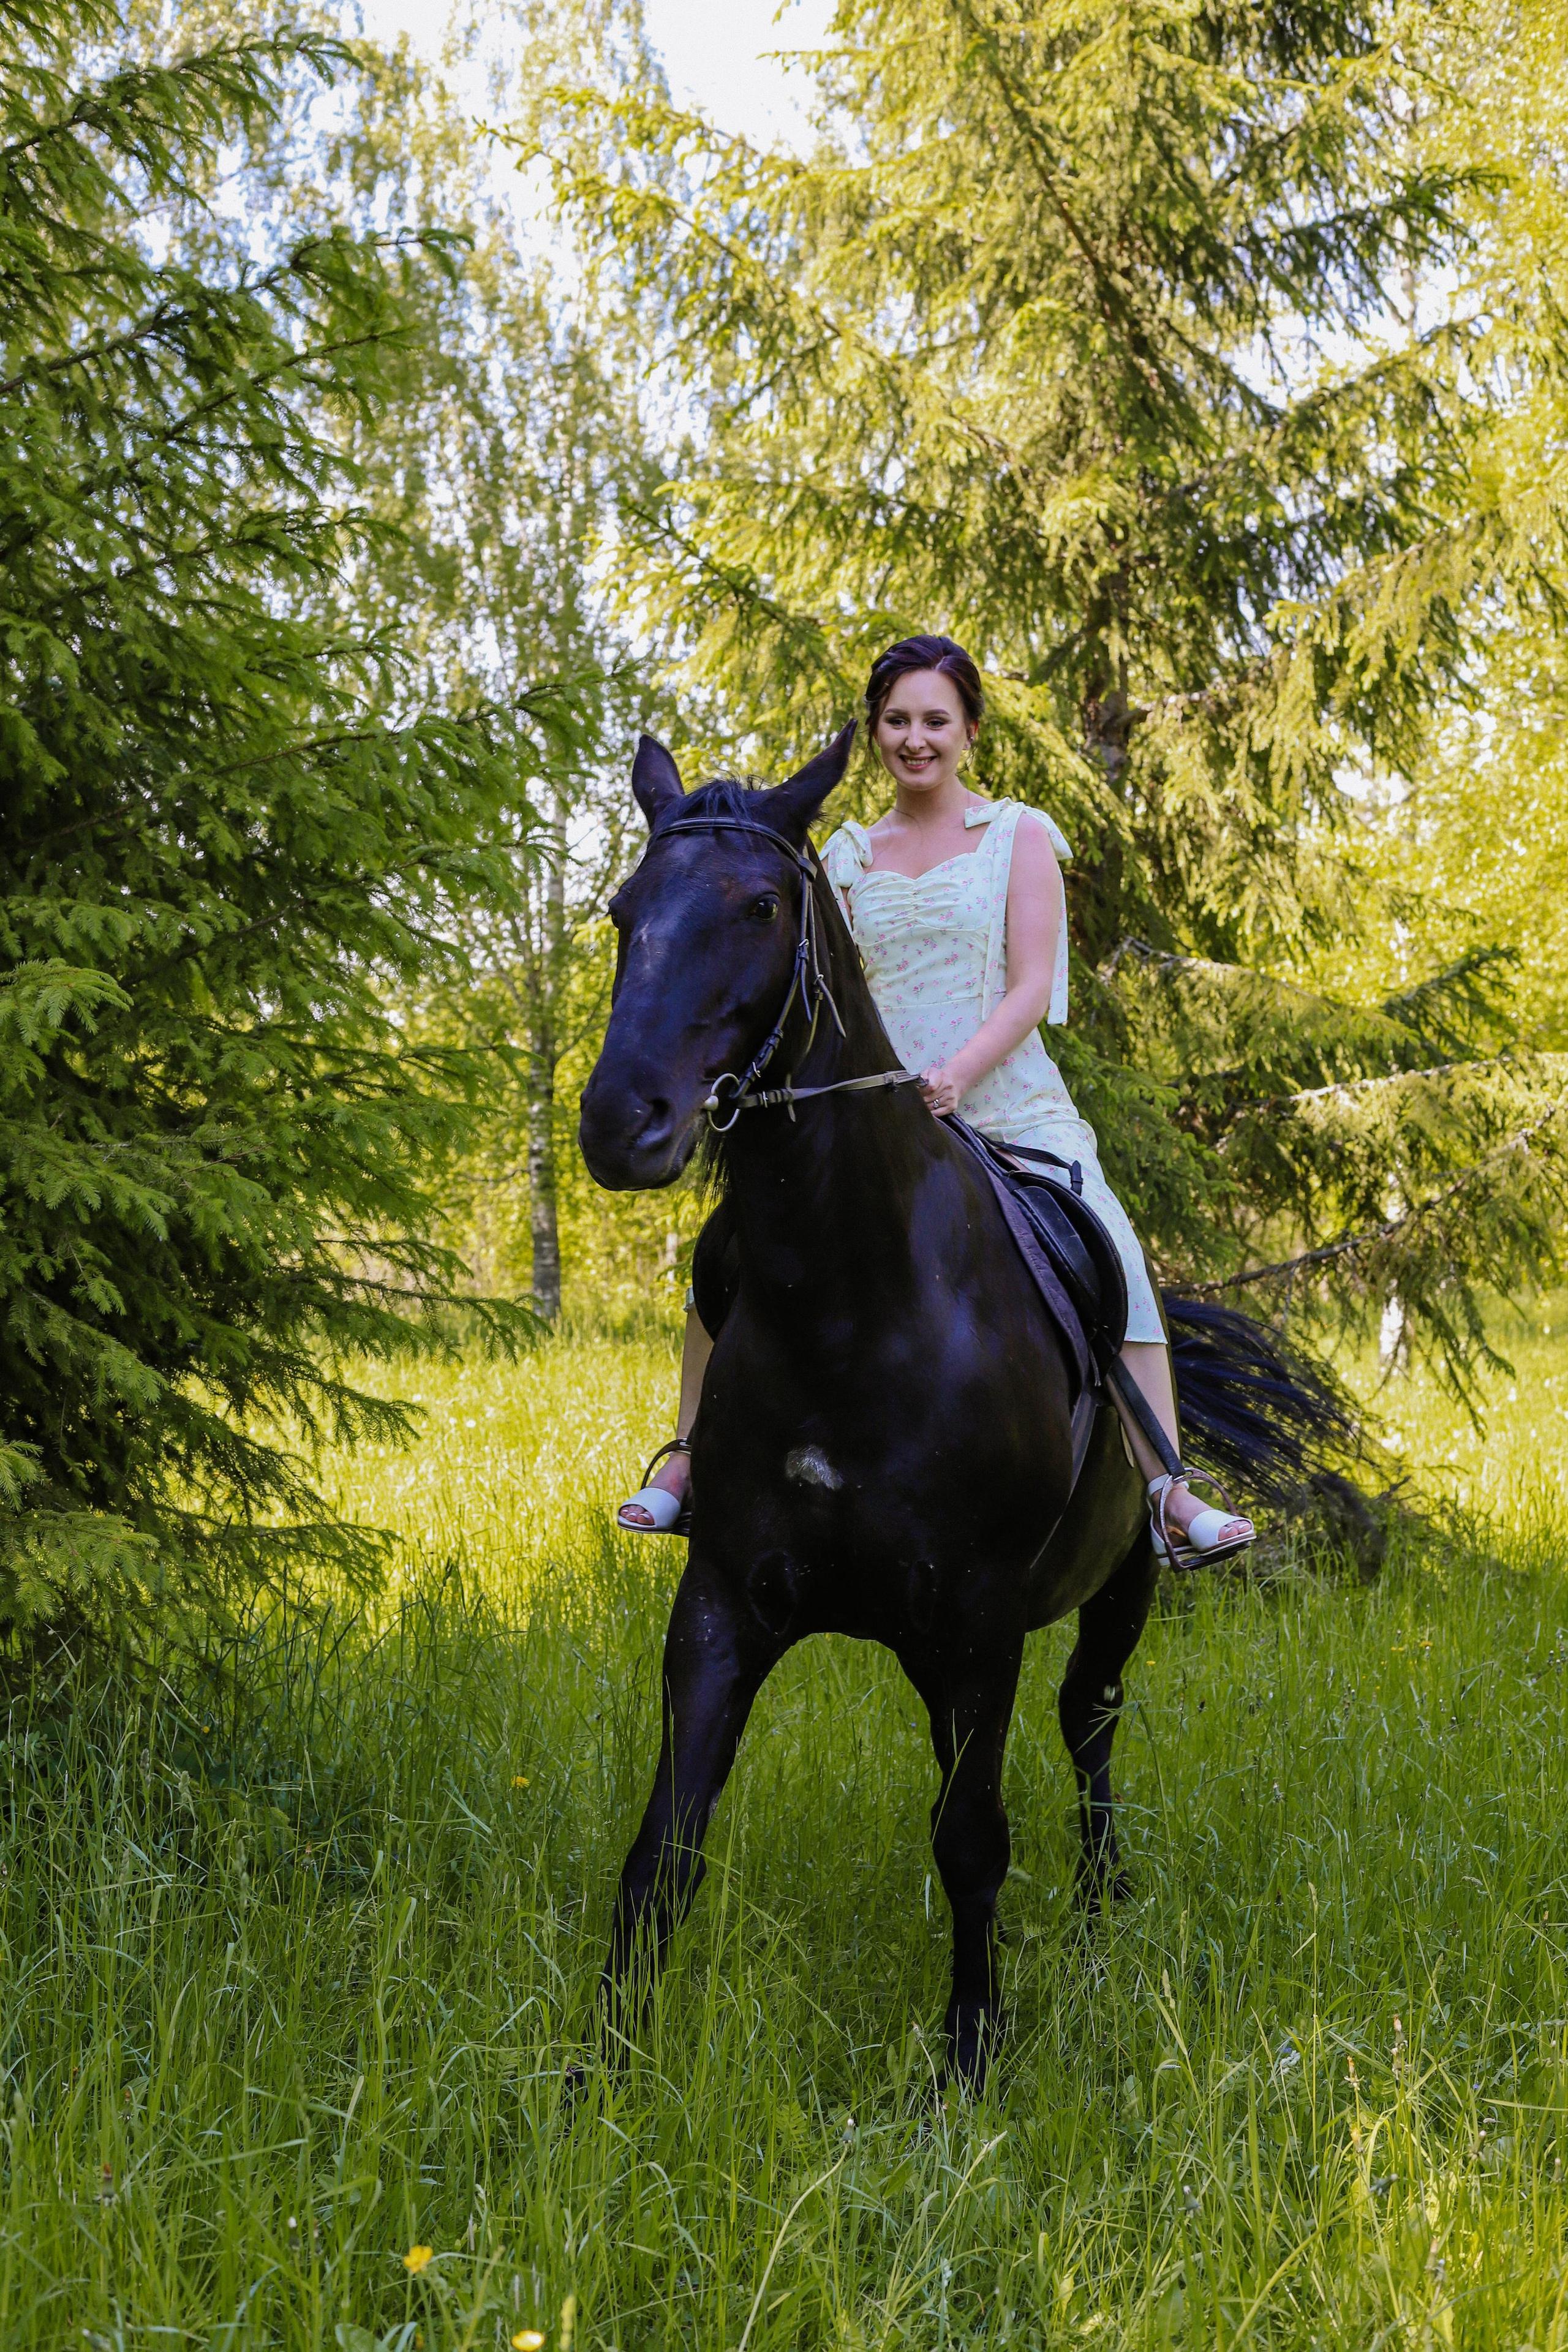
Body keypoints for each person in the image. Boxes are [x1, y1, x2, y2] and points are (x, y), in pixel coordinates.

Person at [617, 634, 1253, 1568]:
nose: (916, 739)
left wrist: (957, 1073)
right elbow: (800, 975)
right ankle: (686, 1460)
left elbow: (1032, 987)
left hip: (1001, 1098)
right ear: (877, 733)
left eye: (935, 721)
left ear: (969, 731)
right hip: (867, 1118)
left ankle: (1167, 1488)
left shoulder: (1017, 836)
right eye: (897, 721)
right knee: (735, 1240)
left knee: (1107, 1239)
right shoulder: (841, 852)